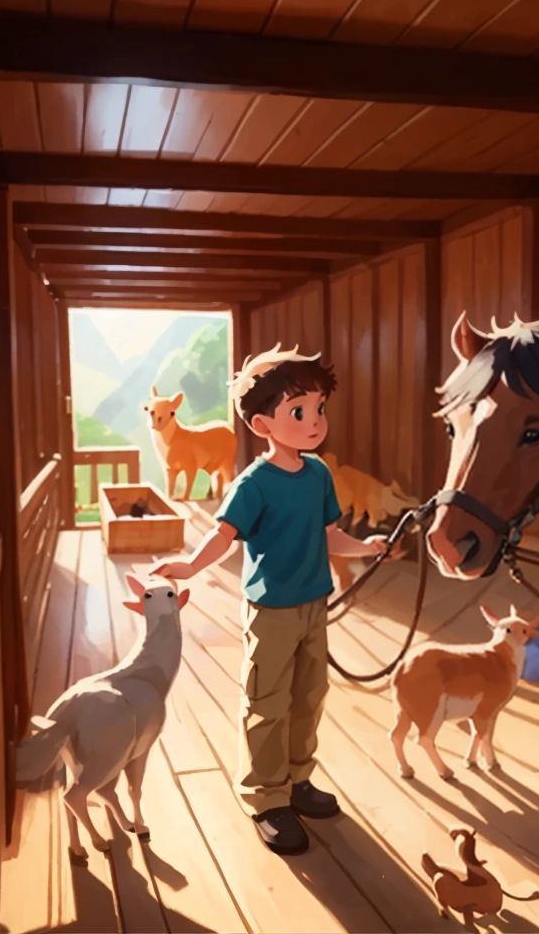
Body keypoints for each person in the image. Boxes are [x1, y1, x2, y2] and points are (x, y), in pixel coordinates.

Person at [152, 344, 398, 855]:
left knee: (309, 695)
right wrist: (192, 565)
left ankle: (297, 779)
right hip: (270, 610)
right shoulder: (253, 484)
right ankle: (266, 798)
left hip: (314, 604)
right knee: (267, 702)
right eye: (299, 411)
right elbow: (224, 536)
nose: (314, 422)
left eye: (319, 409)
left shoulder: (319, 476)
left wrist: (370, 547)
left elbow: (331, 536)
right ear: (263, 425)